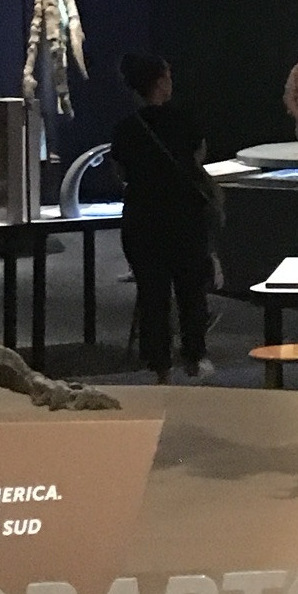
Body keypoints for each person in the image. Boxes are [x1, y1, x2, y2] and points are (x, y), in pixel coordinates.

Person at [111, 53, 214, 383]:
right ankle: (195, 356)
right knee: (191, 291)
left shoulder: (126, 128)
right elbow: (198, 157)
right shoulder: (184, 120)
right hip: (185, 217)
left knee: (152, 294)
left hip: (142, 219)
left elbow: (121, 173)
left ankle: (160, 367)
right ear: (160, 82)